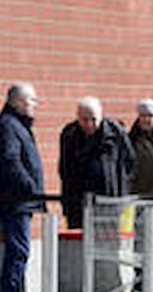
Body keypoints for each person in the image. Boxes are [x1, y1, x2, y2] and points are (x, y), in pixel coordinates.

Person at [0, 83, 45, 292]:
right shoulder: (8, 126)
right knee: (18, 250)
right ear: (17, 102)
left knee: (20, 250)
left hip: (20, 200)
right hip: (16, 200)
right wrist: (30, 187)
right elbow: (11, 161)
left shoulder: (16, 125)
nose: (35, 105)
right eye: (31, 100)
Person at [58, 97, 136, 228]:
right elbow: (64, 168)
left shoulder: (115, 132)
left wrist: (119, 188)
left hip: (109, 199)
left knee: (106, 242)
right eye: (84, 120)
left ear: (101, 116)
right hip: (78, 200)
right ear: (78, 117)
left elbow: (129, 162)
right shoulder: (69, 134)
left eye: (93, 119)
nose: (89, 124)